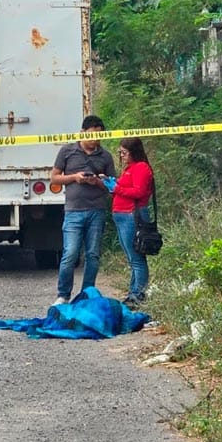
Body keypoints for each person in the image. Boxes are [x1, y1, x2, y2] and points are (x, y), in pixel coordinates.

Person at [50, 115, 116, 306]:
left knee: (93, 255)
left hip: (97, 210)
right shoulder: (67, 151)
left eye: (99, 135)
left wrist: (97, 181)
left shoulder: (105, 156)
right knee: (70, 253)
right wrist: (74, 177)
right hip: (73, 211)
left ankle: (87, 294)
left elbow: (113, 186)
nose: (95, 139)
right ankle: (63, 295)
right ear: (82, 133)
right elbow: (54, 178)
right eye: (92, 134)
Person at [108, 138, 153, 309]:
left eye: (124, 152)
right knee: (131, 257)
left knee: (137, 258)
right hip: (122, 215)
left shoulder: (141, 167)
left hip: (131, 215)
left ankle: (138, 295)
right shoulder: (129, 168)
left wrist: (117, 188)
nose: (121, 156)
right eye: (120, 152)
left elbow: (139, 192)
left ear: (134, 152)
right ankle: (133, 292)